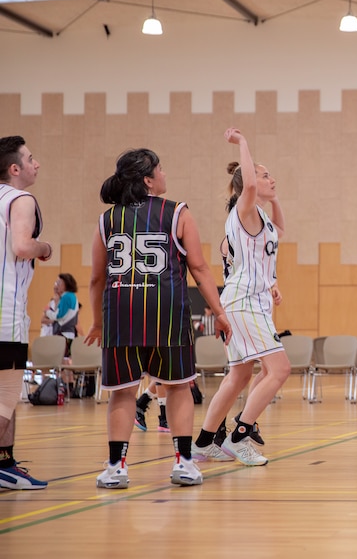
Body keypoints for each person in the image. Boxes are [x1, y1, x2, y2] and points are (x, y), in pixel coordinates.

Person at [84, 148, 231, 489]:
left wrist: (96, 322)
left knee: (122, 392)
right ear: (148, 179)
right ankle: (183, 463)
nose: (166, 174)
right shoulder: (177, 212)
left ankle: (116, 468)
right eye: (161, 169)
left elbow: (96, 278)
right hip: (167, 313)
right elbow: (198, 268)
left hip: (120, 314)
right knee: (178, 387)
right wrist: (220, 313)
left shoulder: (107, 219)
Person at [191, 128, 289, 466]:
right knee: (279, 370)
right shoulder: (244, 208)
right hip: (244, 301)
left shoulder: (259, 214)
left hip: (251, 300)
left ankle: (204, 441)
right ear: (247, 181)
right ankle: (239, 435)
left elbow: (280, 231)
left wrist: (274, 199)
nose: (270, 178)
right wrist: (244, 143)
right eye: (265, 175)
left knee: (240, 376)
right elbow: (247, 185)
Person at [0, 136, 52, 490]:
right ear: (14, 168)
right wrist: (44, 248)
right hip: (6, 314)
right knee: (5, 400)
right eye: (31, 159)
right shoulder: (21, 199)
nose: (37, 164)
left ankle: (5, 464)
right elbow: (21, 246)